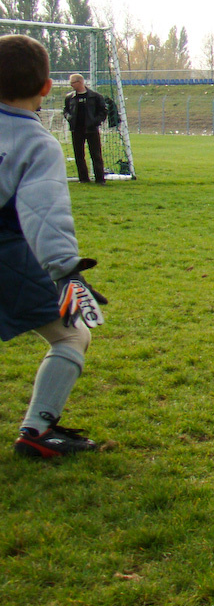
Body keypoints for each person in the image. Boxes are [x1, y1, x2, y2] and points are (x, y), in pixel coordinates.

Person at [1, 35, 108, 457]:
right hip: (7, 256)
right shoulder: (36, 142)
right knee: (71, 337)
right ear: (47, 87)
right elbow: (43, 213)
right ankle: (38, 432)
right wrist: (67, 271)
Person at [63, 73, 107, 184]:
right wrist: (69, 118)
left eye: (73, 82)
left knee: (96, 154)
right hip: (76, 130)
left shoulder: (95, 97)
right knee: (79, 155)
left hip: (91, 129)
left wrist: (95, 121)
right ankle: (83, 179)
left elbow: (103, 111)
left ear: (80, 82)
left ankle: (100, 179)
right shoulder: (70, 97)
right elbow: (65, 110)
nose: (71, 85)